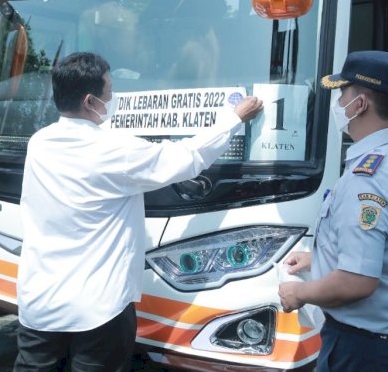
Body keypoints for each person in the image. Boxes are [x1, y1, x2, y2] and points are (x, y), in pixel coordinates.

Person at [14, 52, 263, 371]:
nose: (113, 97)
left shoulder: (40, 142)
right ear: (91, 101)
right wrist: (234, 118)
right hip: (96, 312)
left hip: (39, 305)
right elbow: (188, 158)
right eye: (109, 91)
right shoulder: (111, 150)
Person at [278, 50, 388, 371]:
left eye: (342, 93)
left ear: (360, 104)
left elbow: (357, 282)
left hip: (364, 352)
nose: (338, 103)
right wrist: (318, 259)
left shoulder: (369, 179)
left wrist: (300, 293)